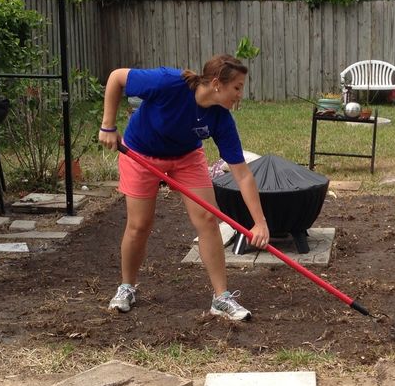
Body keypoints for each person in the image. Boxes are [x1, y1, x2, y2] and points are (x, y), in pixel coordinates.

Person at [98, 54, 269, 320]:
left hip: (186, 157)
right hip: (141, 152)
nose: (239, 95)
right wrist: (107, 125)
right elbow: (116, 77)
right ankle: (126, 287)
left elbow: (243, 174)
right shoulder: (168, 83)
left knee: (207, 218)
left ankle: (221, 298)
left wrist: (259, 223)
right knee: (139, 224)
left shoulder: (221, 119)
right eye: (237, 87)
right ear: (216, 84)